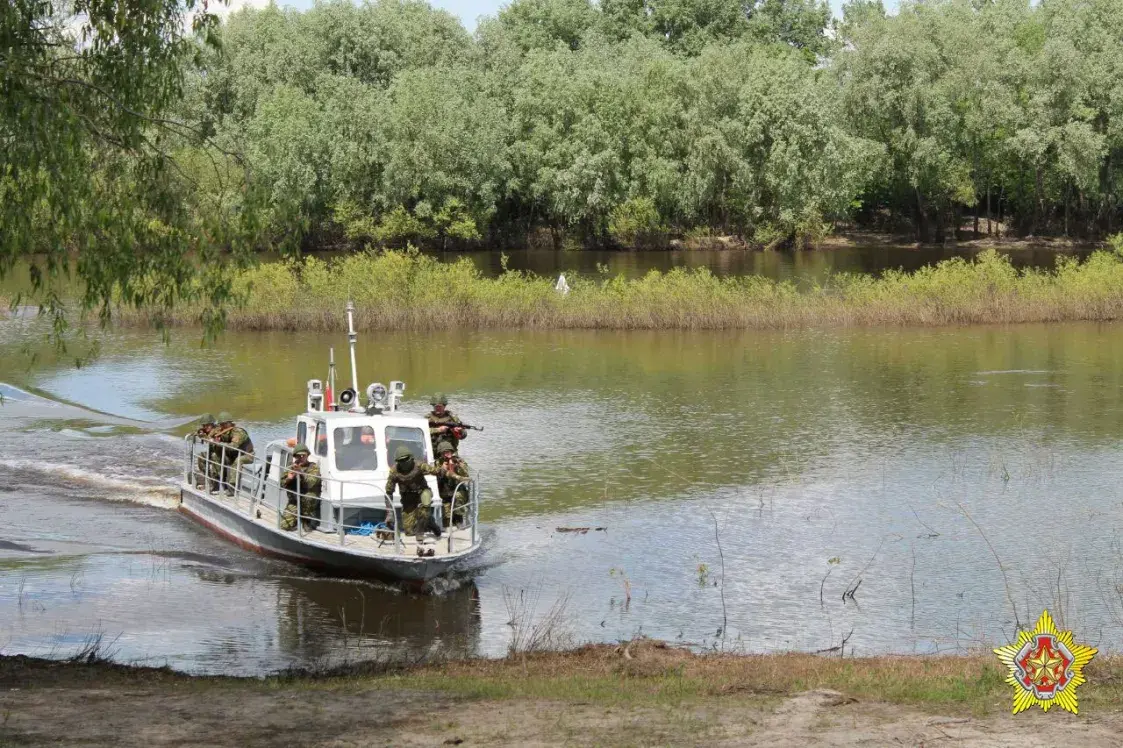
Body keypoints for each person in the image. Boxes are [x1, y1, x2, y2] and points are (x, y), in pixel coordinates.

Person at [384, 445, 442, 546]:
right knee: (409, 532)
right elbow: (389, 492)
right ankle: (430, 522)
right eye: (401, 460)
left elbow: (437, 471)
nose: (404, 462)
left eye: (406, 459)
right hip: (408, 499)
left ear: (411, 458)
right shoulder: (394, 471)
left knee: (425, 504)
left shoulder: (419, 465)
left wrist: (455, 475)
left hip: (422, 493)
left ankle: (420, 532)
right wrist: (389, 513)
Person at [280, 445, 321, 532]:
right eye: (299, 456)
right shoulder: (291, 467)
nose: (301, 458)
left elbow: (311, 483)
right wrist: (289, 479)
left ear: (307, 456)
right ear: (295, 456)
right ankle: (295, 520)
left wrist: (301, 473)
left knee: (309, 497)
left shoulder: (313, 467)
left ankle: (306, 520)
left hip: (307, 500)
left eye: (303, 456)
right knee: (284, 525)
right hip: (294, 501)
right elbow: (280, 485)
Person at [212, 412, 255, 496]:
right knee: (215, 456)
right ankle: (218, 483)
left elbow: (233, 446)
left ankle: (232, 488)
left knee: (238, 461)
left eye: (223, 424)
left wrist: (220, 443)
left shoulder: (238, 432)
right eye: (221, 425)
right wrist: (214, 441)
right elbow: (212, 437)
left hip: (247, 455)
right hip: (232, 455)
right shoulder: (222, 431)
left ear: (229, 423)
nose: (221, 427)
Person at [434, 440, 470, 527]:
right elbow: (436, 477)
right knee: (447, 520)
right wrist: (442, 469)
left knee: (458, 497)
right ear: (441, 454)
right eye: (444, 453)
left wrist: (457, 466)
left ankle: (459, 519)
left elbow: (465, 474)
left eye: (448, 452)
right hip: (444, 491)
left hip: (457, 489)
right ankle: (449, 520)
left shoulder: (458, 461)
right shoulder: (437, 463)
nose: (447, 454)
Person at [192, 414, 217, 489]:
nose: (205, 427)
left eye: (207, 425)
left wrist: (204, 436)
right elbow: (201, 433)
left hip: (221, 454)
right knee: (201, 457)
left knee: (215, 459)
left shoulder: (217, 430)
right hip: (214, 453)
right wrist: (199, 432)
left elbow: (213, 441)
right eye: (204, 425)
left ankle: (214, 484)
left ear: (212, 424)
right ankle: (210, 480)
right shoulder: (208, 430)